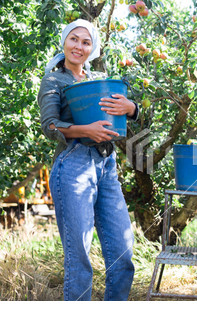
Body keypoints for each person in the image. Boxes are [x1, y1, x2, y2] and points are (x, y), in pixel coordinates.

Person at [38, 19, 138, 301]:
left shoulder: (97, 81)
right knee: (79, 257)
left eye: (85, 42)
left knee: (123, 253)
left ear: (92, 48)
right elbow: (50, 126)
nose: (78, 46)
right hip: (73, 164)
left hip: (107, 164)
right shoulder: (54, 80)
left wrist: (132, 108)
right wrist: (86, 130)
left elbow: (127, 113)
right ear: (64, 42)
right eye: (74, 39)